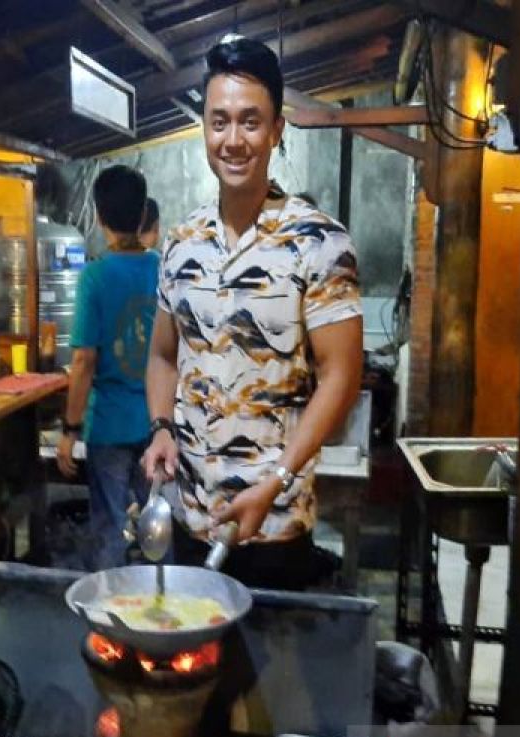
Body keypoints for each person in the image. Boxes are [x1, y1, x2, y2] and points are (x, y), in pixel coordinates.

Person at [141, 36, 364, 590]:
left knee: (266, 672)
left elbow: (341, 375)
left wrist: (279, 480)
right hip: (192, 516)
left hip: (276, 522)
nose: (233, 140)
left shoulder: (319, 241)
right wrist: (161, 428)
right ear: (204, 130)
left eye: (250, 122)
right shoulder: (181, 242)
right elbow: (165, 356)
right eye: (219, 122)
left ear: (277, 130)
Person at [57, 165, 159, 570]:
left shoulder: (94, 277)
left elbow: (83, 361)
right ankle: (165, 618)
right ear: (142, 217)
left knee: (109, 527)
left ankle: (109, 622)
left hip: (110, 428)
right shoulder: (163, 269)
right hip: (157, 424)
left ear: (99, 217)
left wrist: (69, 430)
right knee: (157, 526)